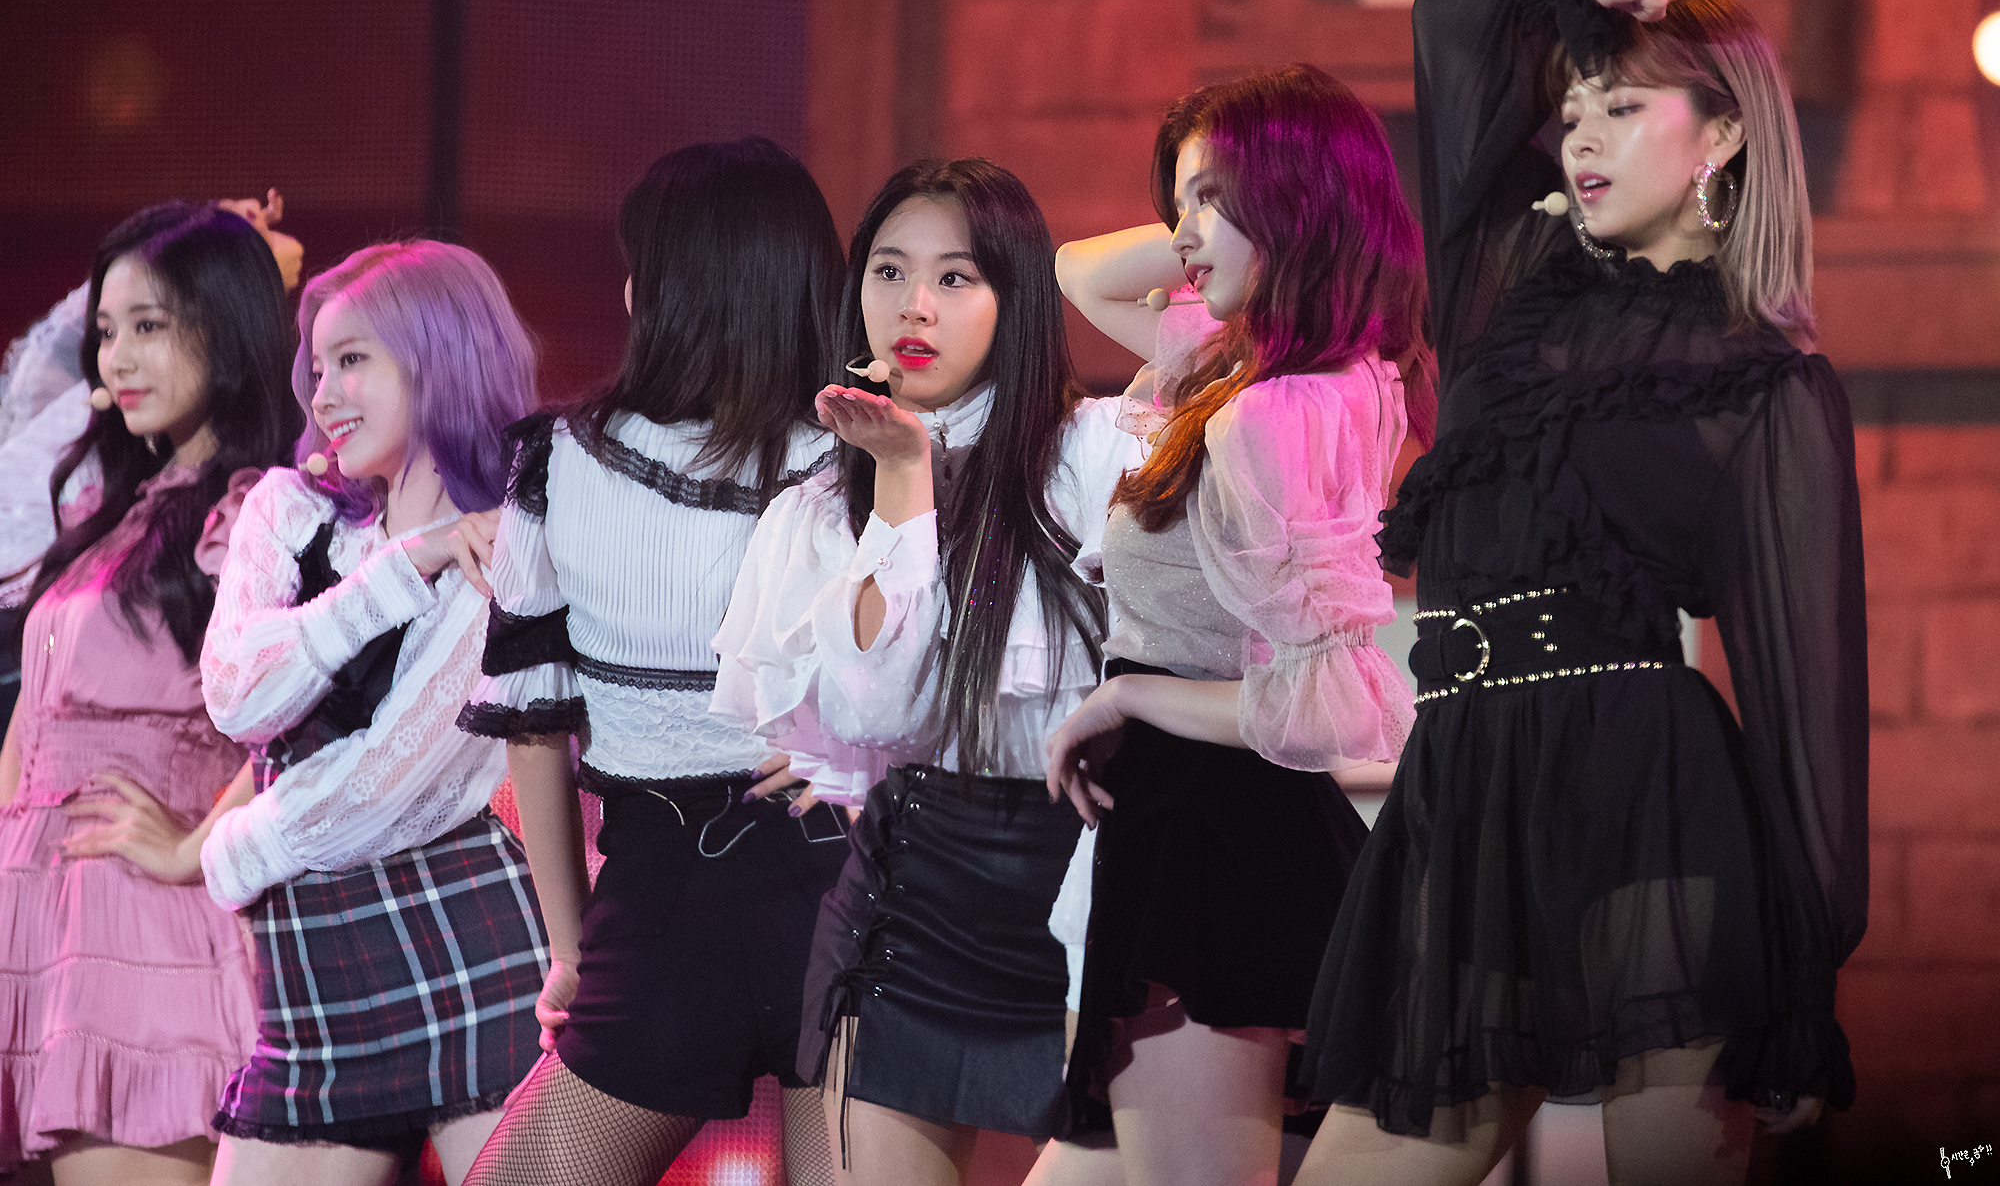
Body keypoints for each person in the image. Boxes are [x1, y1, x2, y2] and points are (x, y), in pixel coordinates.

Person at [1295, 0, 1867, 1186]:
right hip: (1466, 794)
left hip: (1648, 810)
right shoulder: (1507, 287)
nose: (1581, 139)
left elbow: (1804, 704)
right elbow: (1449, 18)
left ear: (1720, 135)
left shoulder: (1765, 383)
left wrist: (1801, 978)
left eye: (1620, 106)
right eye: (1569, 111)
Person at [1030, 63, 1428, 1186]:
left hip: (1211, 838)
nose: (1179, 233)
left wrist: (1125, 694)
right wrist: (1215, 224)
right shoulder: (1257, 369)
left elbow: (1333, 696)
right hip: (1182, 818)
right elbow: (1076, 269)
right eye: (1178, 202)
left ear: (1298, 202)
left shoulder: (1274, 412)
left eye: (1209, 198)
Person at [79, 240, 549, 1186]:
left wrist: (223, 849)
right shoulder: (289, 509)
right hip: (310, 983)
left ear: (437, 359)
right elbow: (239, 695)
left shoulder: (510, 542)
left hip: (468, 953)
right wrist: (400, 568)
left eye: (353, 360)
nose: (323, 393)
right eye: (319, 366)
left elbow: (386, 786)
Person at [713, 158, 1143, 1185]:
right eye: (889, 271)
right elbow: (880, 712)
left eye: (956, 277)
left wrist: (1072, 261)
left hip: (1094, 889)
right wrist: (903, 477)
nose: (914, 305)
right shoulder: (822, 508)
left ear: (1014, 295)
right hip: (914, 907)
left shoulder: (1094, 453)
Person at [455, 138, 849, 1186]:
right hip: (847, 885)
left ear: (669, 290)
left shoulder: (560, 459)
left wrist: (571, 946)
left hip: (669, 891)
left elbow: (532, 728)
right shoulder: (867, 460)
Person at [0, 202, 299, 1184]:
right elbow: (30, 727)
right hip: (33, 908)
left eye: (148, 326)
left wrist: (192, 839)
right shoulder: (117, 513)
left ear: (227, 328)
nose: (116, 358)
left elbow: (313, 719)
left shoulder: (256, 513)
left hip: (135, 927)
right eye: (106, 331)